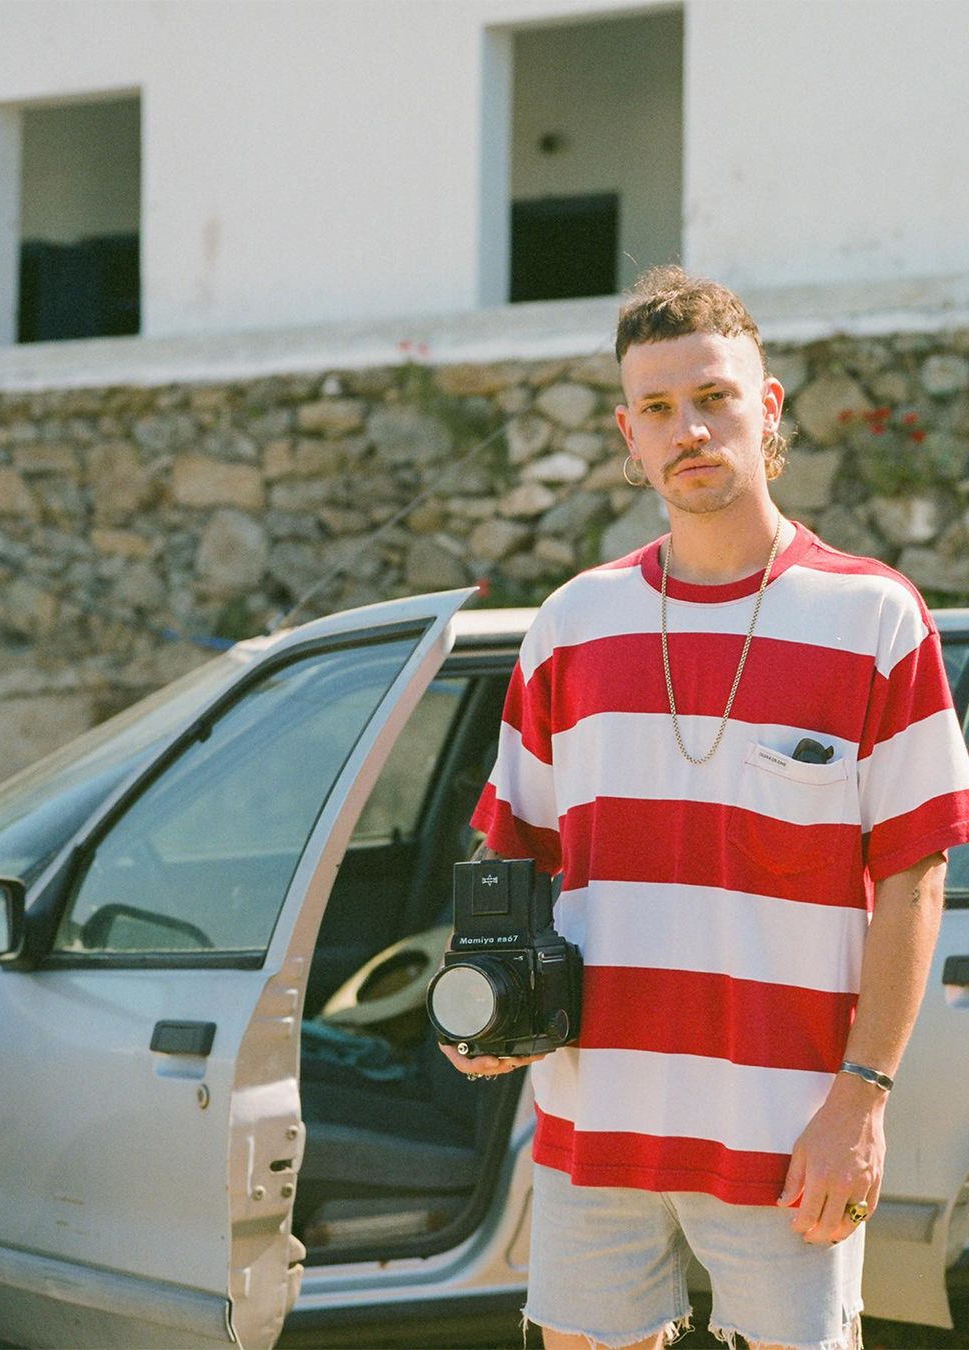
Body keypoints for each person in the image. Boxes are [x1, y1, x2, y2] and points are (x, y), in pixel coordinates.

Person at [439, 266, 969, 1350]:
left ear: (766, 407)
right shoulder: (572, 626)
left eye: (714, 397)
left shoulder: (873, 617)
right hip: (593, 1122)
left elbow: (915, 877)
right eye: (658, 408)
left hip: (791, 1130)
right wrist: (487, 1008)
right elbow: (515, 854)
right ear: (627, 435)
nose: (689, 429)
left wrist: (861, 1102)